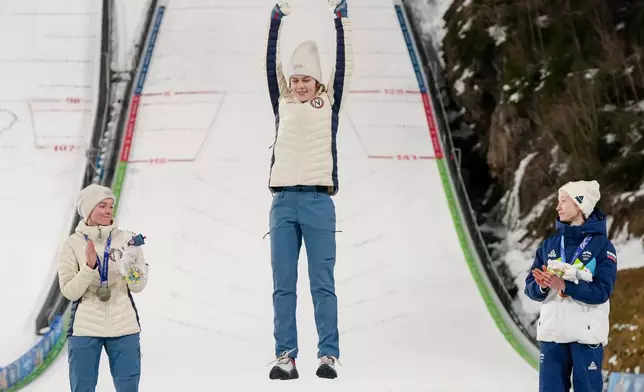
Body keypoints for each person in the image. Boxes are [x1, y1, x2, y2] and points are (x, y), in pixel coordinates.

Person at [263, 0, 353, 381]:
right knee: (283, 284)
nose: (300, 86)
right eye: (296, 80)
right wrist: (275, 23)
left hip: (318, 200)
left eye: (307, 80)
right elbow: (271, 65)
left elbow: (345, 64)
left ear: (318, 83)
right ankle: (285, 355)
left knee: (322, 282)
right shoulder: (282, 102)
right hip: (282, 202)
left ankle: (328, 354)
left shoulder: (328, 104)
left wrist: (340, 21)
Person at [525, 180, 618, 392]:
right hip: (552, 336)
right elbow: (529, 286)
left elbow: (602, 291)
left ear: (580, 205)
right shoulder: (549, 244)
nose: (558, 207)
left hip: (585, 337)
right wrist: (540, 286)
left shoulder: (603, 247)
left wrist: (566, 286)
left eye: (563, 201)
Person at [58, 184, 149, 392]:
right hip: (85, 329)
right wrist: (89, 267)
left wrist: (132, 266)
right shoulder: (72, 244)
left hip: (124, 327)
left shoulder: (127, 240)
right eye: (102, 205)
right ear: (89, 209)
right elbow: (70, 291)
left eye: (111, 205)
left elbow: (138, 286)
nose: (109, 210)